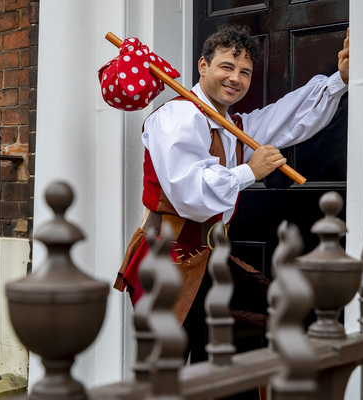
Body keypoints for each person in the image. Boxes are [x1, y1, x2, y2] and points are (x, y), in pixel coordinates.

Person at [113, 25, 349, 368]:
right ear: (203, 66)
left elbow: (287, 117)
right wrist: (249, 171)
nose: (235, 78)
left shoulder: (231, 125)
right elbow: (188, 192)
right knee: (174, 369)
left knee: (243, 344)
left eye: (244, 72)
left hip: (209, 258)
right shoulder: (179, 117)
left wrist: (339, 80)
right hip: (170, 263)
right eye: (226, 67)